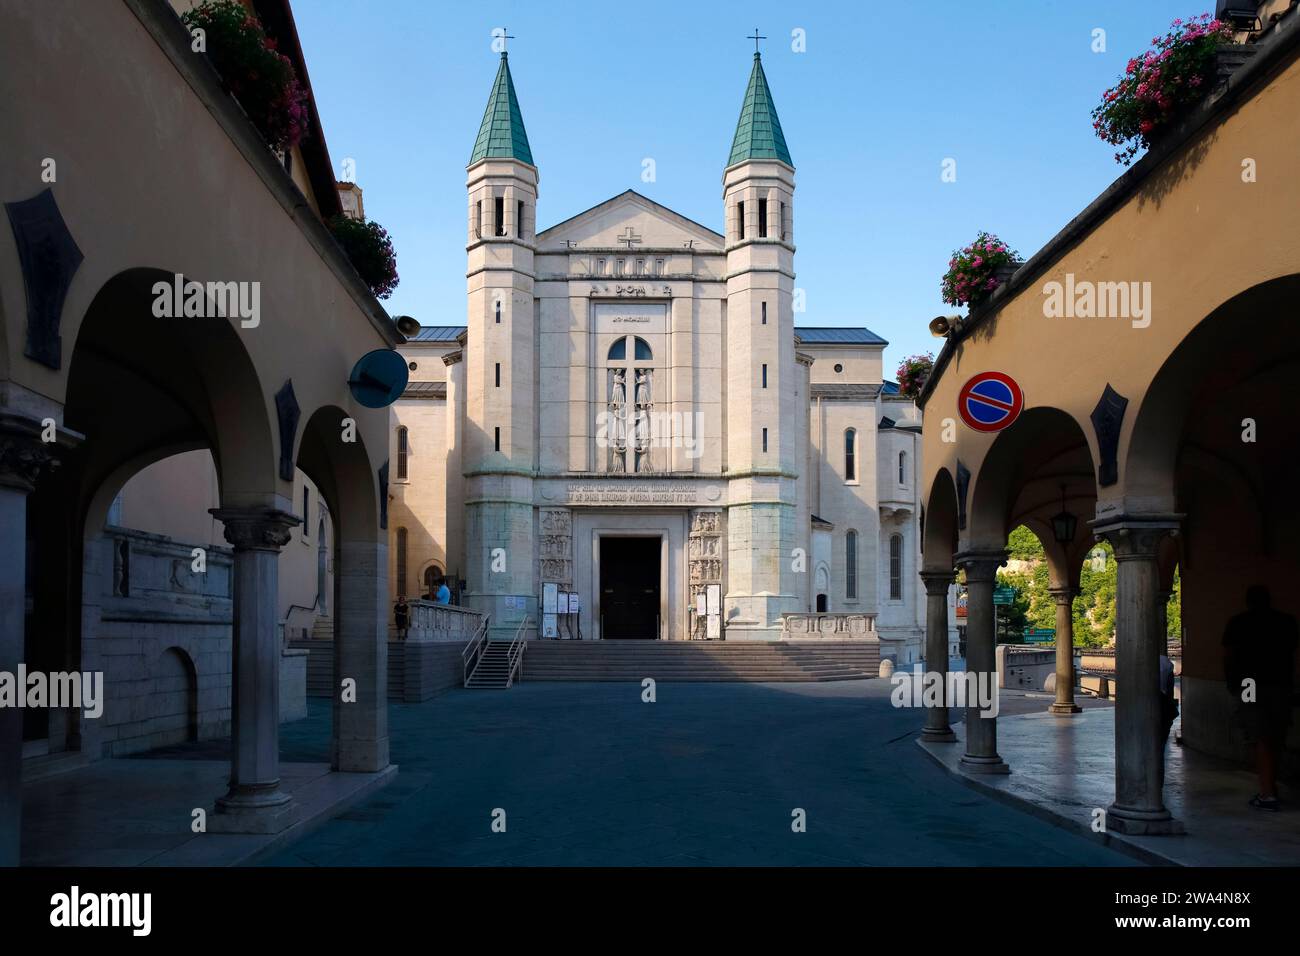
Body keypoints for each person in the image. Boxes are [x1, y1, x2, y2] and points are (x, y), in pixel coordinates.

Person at [1223, 585, 1298, 810]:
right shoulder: (1287, 622)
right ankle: (1271, 785)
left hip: (1249, 682)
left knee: (1256, 732)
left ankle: (1267, 792)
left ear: (1248, 602)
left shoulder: (1238, 623)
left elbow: (1227, 655)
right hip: (1279, 682)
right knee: (1276, 733)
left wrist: (1231, 683)